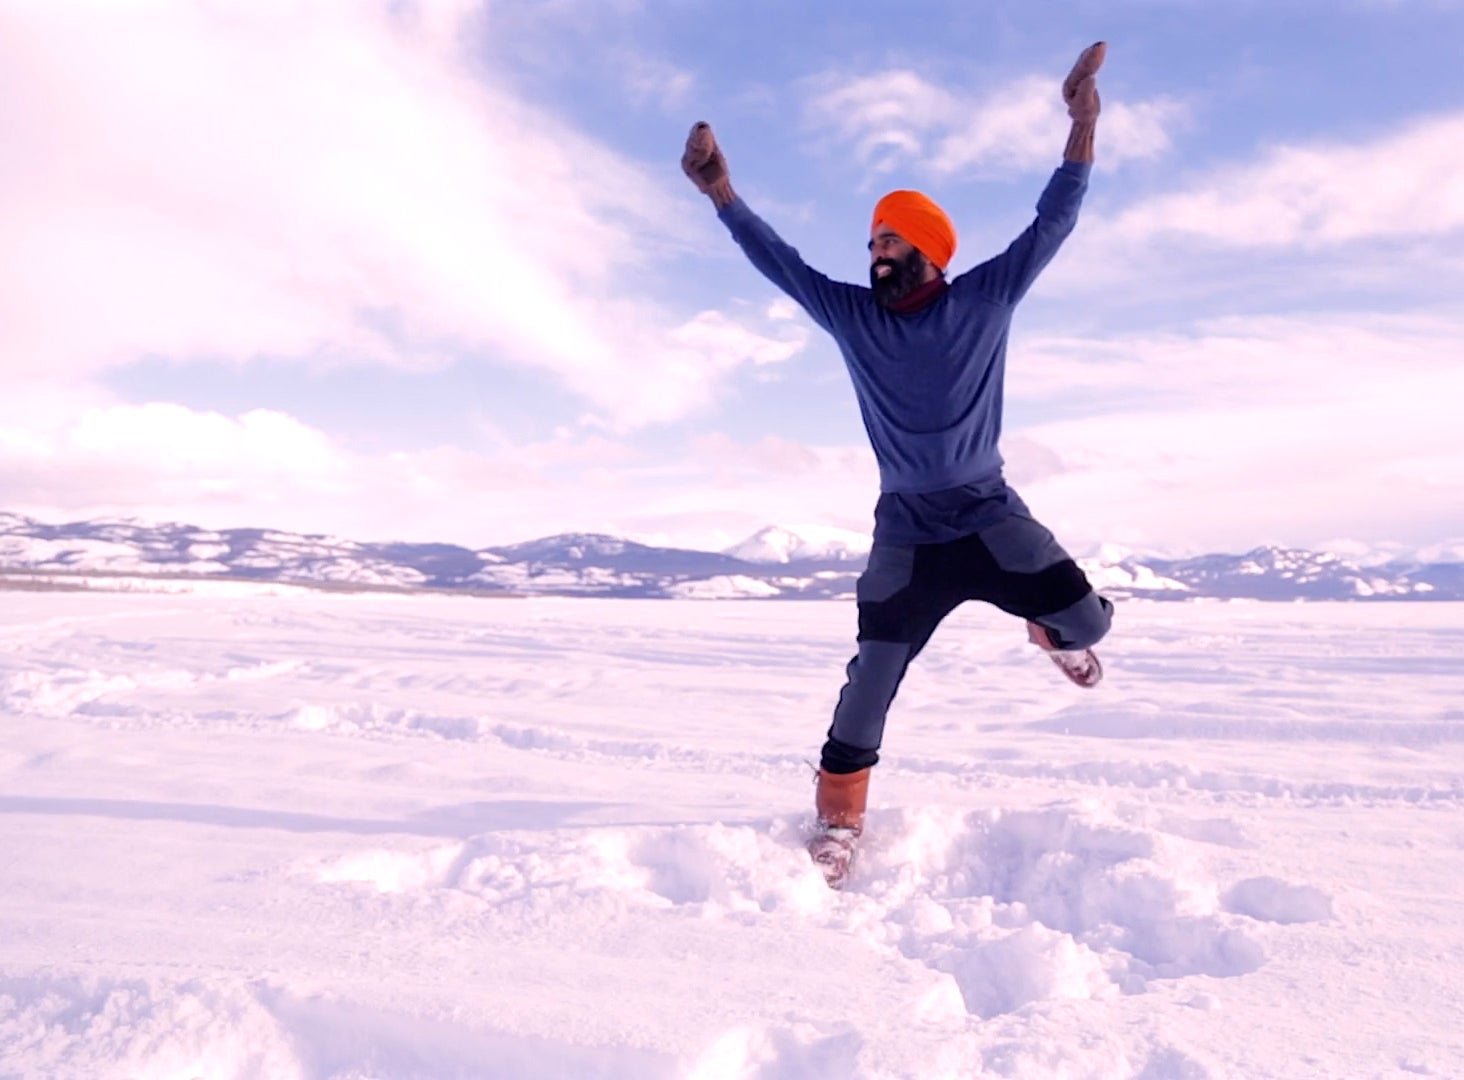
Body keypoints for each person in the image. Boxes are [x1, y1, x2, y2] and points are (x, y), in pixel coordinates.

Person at [681, 43, 1115, 882]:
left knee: (1091, 623)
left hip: (990, 515)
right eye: (872, 238)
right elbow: (781, 264)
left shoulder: (985, 298)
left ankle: (1049, 630)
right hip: (908, 531)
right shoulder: (853, 316)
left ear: (929, 249)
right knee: (871, 677)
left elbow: (1053, 221)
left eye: (890, 238)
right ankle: (840, 823)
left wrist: (1083, 123)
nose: (875, 251)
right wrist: (722, 194)